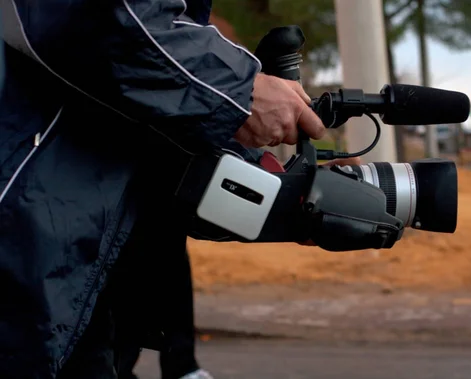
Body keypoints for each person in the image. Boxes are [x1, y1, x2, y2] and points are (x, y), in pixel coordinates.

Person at [0, 1, 327, 378]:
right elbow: (114, 19)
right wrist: (239, 91)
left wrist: (283, 193)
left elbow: (133, 98)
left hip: (74, 255)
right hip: (29, 244)